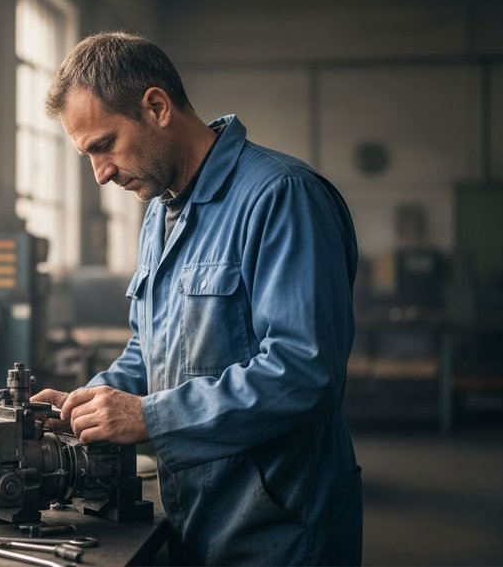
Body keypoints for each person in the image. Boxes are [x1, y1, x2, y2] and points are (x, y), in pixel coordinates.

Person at [32, 32, 362, 565]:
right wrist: (85, 406)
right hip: (194, 516)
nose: (101, 173)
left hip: (279, 528)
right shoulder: (160, 216)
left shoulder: (281, 197)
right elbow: (151, 349)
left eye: (104, 145)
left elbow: (305, 371)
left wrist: (151, 419)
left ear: (157, 107)